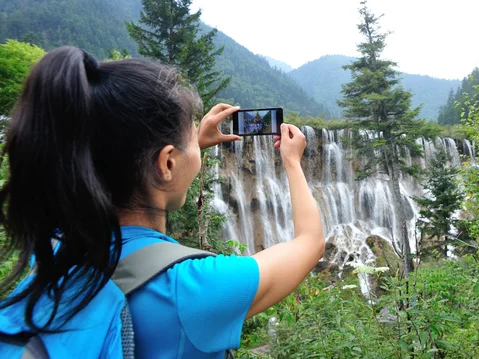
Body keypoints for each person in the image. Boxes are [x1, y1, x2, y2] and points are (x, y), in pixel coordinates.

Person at [0, 46, 325, 358]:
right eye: (190, 139)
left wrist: (189, 145)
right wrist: (292, 162)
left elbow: (134, 163)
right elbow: (310, 243)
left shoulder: (54, 253)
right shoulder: (195, 288)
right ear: (167, 163)